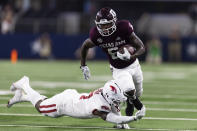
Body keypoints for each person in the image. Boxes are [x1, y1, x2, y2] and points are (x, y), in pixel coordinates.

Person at [80, 7, 146, 128]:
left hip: (134, 65)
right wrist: (83, 65)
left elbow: (141, 47)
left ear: (114, 21)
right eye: (102, 25)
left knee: (138, 91)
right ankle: (130, 115)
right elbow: (85, 45)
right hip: (118, 68)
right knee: (129, 91)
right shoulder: (96, 34)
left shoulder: (124, 28)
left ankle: (132, 102)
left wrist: (132, 56)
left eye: (107, 25)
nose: (104, 28)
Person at [7, 76, 145, 129]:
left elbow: (116, 111)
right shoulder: (98, 107)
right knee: (41, 108)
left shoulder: (107, 92)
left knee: (46, 107)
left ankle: (21, 97)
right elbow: (113, 117)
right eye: (117, 100)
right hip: (64, 103)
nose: (119, 102)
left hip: (74, 99)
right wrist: (132, 118)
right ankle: (25, 84)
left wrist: (124, 124)